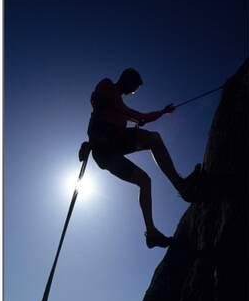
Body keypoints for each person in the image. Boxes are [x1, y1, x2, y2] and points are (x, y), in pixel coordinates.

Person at [86, 68, 201, 249]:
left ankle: (153, 230)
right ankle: (179, 192)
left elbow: (138, 116)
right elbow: (98, 102)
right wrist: (93, 140)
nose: (133, 92)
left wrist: (161, 112)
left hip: (111, 147)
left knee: (147, 172)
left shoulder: (119, 104)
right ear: (127, 80)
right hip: (104, 149)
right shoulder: (107, 86)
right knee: (151, 152)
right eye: (133, 88)